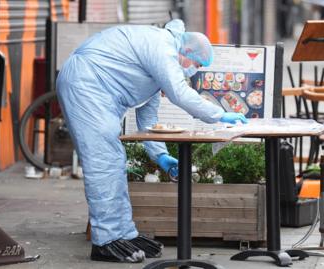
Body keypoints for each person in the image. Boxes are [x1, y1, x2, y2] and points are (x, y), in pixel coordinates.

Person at [56, 19, 248, 263]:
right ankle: (105, 240)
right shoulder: (162, 47)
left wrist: (160, 155)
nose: (193, 70)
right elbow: (180, 93)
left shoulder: (161, 63)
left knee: (115, 162)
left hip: (97, 88)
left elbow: (149, 119)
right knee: (104, 162)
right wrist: (219, 114)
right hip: (86, 84)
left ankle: (124, 234)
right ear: (185, 52)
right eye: (196, 64)